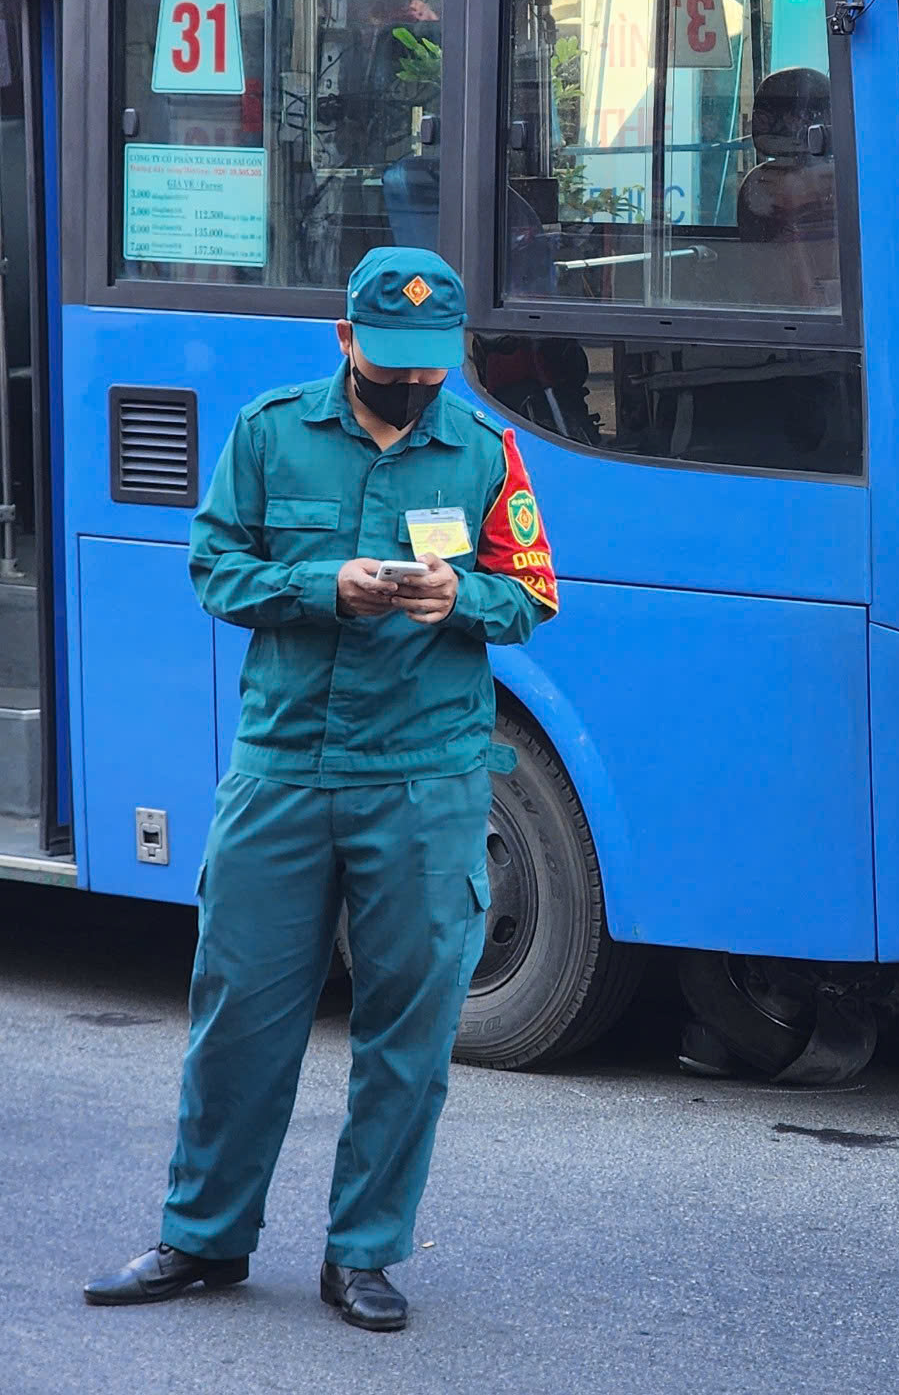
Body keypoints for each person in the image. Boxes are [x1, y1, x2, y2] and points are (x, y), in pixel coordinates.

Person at [85, 245, 558, 1332]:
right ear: (346, 342)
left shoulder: (485, 451)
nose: (415, 382)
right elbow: (215, 568)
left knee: (410, 1030)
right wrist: (321, 585)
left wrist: (460, 598)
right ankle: (201, 1239)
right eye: (392, 361)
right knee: (240, 1014)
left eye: (433, 364)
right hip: (285, 768)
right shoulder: (268, 433)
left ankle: (366, 1255)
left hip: (427, 775)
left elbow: (532, 594)